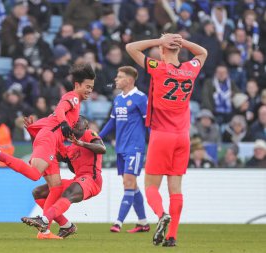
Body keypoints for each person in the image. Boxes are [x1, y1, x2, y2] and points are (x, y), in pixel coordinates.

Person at [126, 33, 208, 247]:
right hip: (183, 136)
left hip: (161, 135)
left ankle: (161, 214)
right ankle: (172, 236)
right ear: (179, 50)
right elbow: (203, 52)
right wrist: (183, 42)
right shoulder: (191, 69)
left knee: (151, 185)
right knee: (176, 188)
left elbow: (131, 47)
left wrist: (157, 41)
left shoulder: (158, 67)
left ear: (163, 50)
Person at [0, 64, 96, 231]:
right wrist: (63, 124)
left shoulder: (77, 103)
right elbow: (60, 109)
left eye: (92, 87)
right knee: (34, 174)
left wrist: (38, 129)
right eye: (87, 86)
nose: (90, 90)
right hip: (49, 139)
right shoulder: (73, 97)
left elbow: (51, 120)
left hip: (52, 142)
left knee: (55, 186)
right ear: (77, 85)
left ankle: (56, 227)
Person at [22, 116, 106, 239]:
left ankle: (44, 220)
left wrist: (81, 143)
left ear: (86, 126)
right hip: (79, 179)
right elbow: (44, 150)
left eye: (79, 120)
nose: (75, 122)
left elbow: (102, 149)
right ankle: (66, 225)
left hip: (92, 180)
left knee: (69, 192)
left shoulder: (88, 134)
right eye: (74, 121)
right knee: (39, 192)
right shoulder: (68, 148)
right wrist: (33, 133)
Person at [98, 66, 149, 233]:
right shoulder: (118, 99)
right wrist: (98, 136)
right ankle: (143, 223)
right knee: (131, 185)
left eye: (119, 77)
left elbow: (149, 123)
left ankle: (118, 222)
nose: (116, 80)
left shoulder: (141, 98)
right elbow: (112, 122)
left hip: (135, 147)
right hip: (121, 148)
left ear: (129, 80)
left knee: (128, 182)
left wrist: (154, 143)